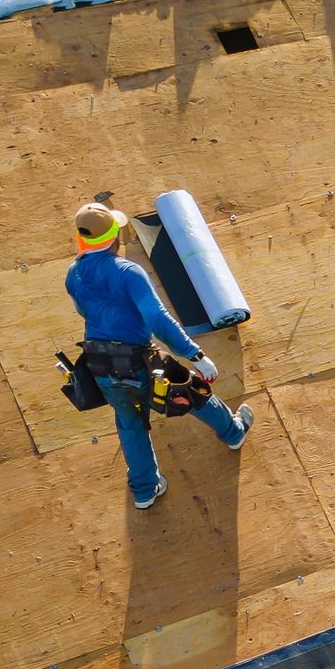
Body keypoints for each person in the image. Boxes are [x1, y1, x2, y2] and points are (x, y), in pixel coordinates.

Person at [65, 201, 254, 509]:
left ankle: (145, 489)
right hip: (138, 360)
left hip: (99, 365)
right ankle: (233, 432)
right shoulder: (128, 272)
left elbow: (84, 311)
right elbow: (157, 317)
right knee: (191, 392)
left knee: (129, 422)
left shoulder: (73, 274)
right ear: (114, 236)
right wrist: (195, 354)